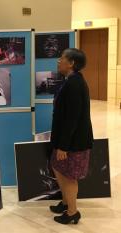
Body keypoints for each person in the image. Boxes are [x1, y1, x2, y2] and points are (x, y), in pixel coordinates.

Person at [49, 48, 93, 224]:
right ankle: (66, 202)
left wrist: (64, 146)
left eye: (62, 59)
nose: (58, 61)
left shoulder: (75, 84)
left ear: (72, 63)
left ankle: (72, 212)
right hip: (65, 140)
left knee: (69, 176)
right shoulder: (71, 81)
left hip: (73, 142)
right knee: (58, 167)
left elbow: (72, 118)